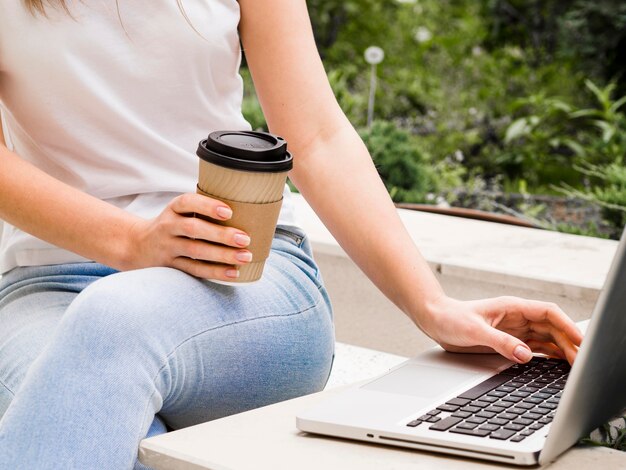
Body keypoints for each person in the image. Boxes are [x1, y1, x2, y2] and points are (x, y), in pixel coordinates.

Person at [0, 1, 582, 468]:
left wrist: (430, 305)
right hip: (54, 283)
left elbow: (317, 136)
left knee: (109, 325)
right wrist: (129, 241)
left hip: (243, 279)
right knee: (92, 416)